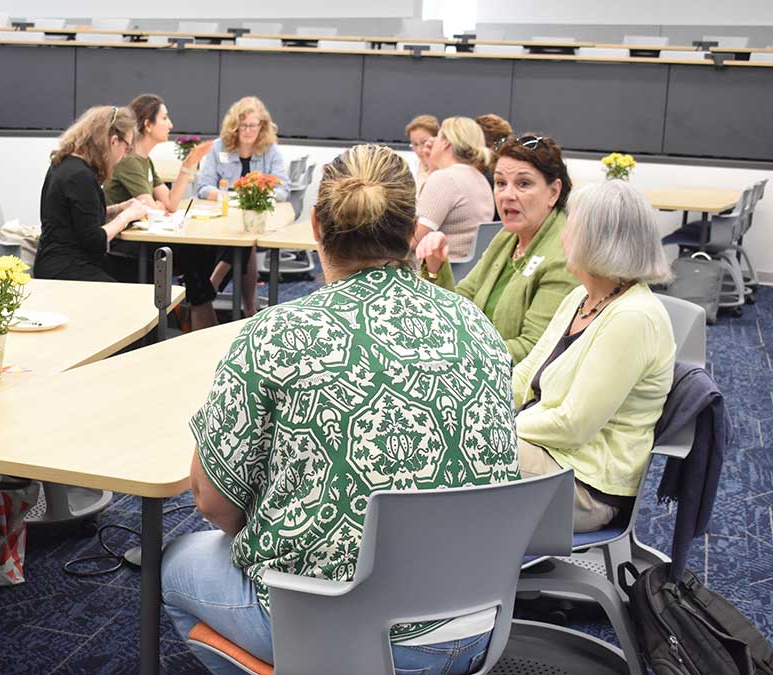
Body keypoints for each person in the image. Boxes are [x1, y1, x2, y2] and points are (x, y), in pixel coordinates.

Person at [162, 144, 519, 675]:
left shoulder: (276, 334)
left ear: (315, 226)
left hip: (348, 639)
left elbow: (212, 501)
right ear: (412, 232)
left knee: (174, 564)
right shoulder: (476, 325)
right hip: (479, 624)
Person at [513, 179, 674, 532]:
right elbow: (526, 373)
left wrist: (492, 429)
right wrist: (478, 408)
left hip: (585, 486)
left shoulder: (633, 318)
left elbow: (572, 426)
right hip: (546, 453)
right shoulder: (581, 298)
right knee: (446, 445)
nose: (563, 233)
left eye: (572, 224)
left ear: (597, 240)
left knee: (453, 457)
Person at [415, 134, 580, 363]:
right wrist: (435, 266)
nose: (507, 195)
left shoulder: (564, 254)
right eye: (501, 183)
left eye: (523, 184)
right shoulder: (508, 236)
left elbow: (533, 349)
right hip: (480, 363)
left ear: (553, 192)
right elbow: (463, 303)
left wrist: (455, 353)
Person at [104, 93, 219, 329]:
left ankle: (191, 310)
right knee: (193, 255)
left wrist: (187, 166)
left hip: (143, 238)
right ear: (147, 124)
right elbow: (153, 208)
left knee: (205, 252)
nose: (171, 124)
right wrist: (158, 206)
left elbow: (170, 204)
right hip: (123, 245)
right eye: (165, 118)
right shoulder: (130, 161)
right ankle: (194, 313)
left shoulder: (145, 161)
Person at [193, 96, 289, 316]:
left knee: (248, 239)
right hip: (223, 217)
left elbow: (283, 189)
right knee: (247, 243)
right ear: (234, 127)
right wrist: (222, 195)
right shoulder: (219, 148)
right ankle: (248, 307)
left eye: (253, 125)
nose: (247, 130)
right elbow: (203, 187)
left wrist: (261, 195)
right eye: (243, 125)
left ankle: (212, 288)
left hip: (254, 216)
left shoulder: (270, 150)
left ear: (262, 126)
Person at [34, 105, 148, 282]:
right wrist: (126, 216)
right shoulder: (80, 176)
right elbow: (94, 240)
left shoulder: (67, 164)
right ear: (113, 141)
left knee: (147, 274)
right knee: (137, 290)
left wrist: (118, 208)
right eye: (127, 148)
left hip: (61, 261)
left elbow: (80, 217)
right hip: (67, 267)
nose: (125, 155)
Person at [412, 116, 494, 261]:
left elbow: (414, 240)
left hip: (435, 274)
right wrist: (432, 168)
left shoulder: (445, 179)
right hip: (462, 273)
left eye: (437, 137)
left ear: (446, 143)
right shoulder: (480, 180)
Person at [405, 113, 439, 192]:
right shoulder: (411, 166)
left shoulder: (446, 169)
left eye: (424, 142)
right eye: (415, 144)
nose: (419, 150)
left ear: (437, 139)